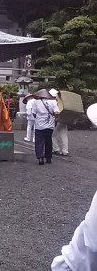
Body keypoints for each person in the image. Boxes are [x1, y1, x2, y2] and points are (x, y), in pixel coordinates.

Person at [51, 104, 97, 270]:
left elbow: (82, 254)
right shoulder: (60, 103)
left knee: (55, 135)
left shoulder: (57, 103)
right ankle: (64, 150)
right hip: (64, 122)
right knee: (63, 135)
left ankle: (58, 150)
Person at [31, 88, 59, 165]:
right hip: (50, 125)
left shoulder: (36, 102)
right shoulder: (53, 102)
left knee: (39, 141)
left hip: (39, 125)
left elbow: (33, 113)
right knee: (48, 140)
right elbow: (57, 112)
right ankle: (48, 157)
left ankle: (40, 157)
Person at [50, 89, 70, 157]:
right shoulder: (64, 101)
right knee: (64, 135)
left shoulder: (54, 102)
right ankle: (65, 151)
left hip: (57, 120)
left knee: (52, 135)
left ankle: (56, 149)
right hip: (64, 120)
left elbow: (55, 112)